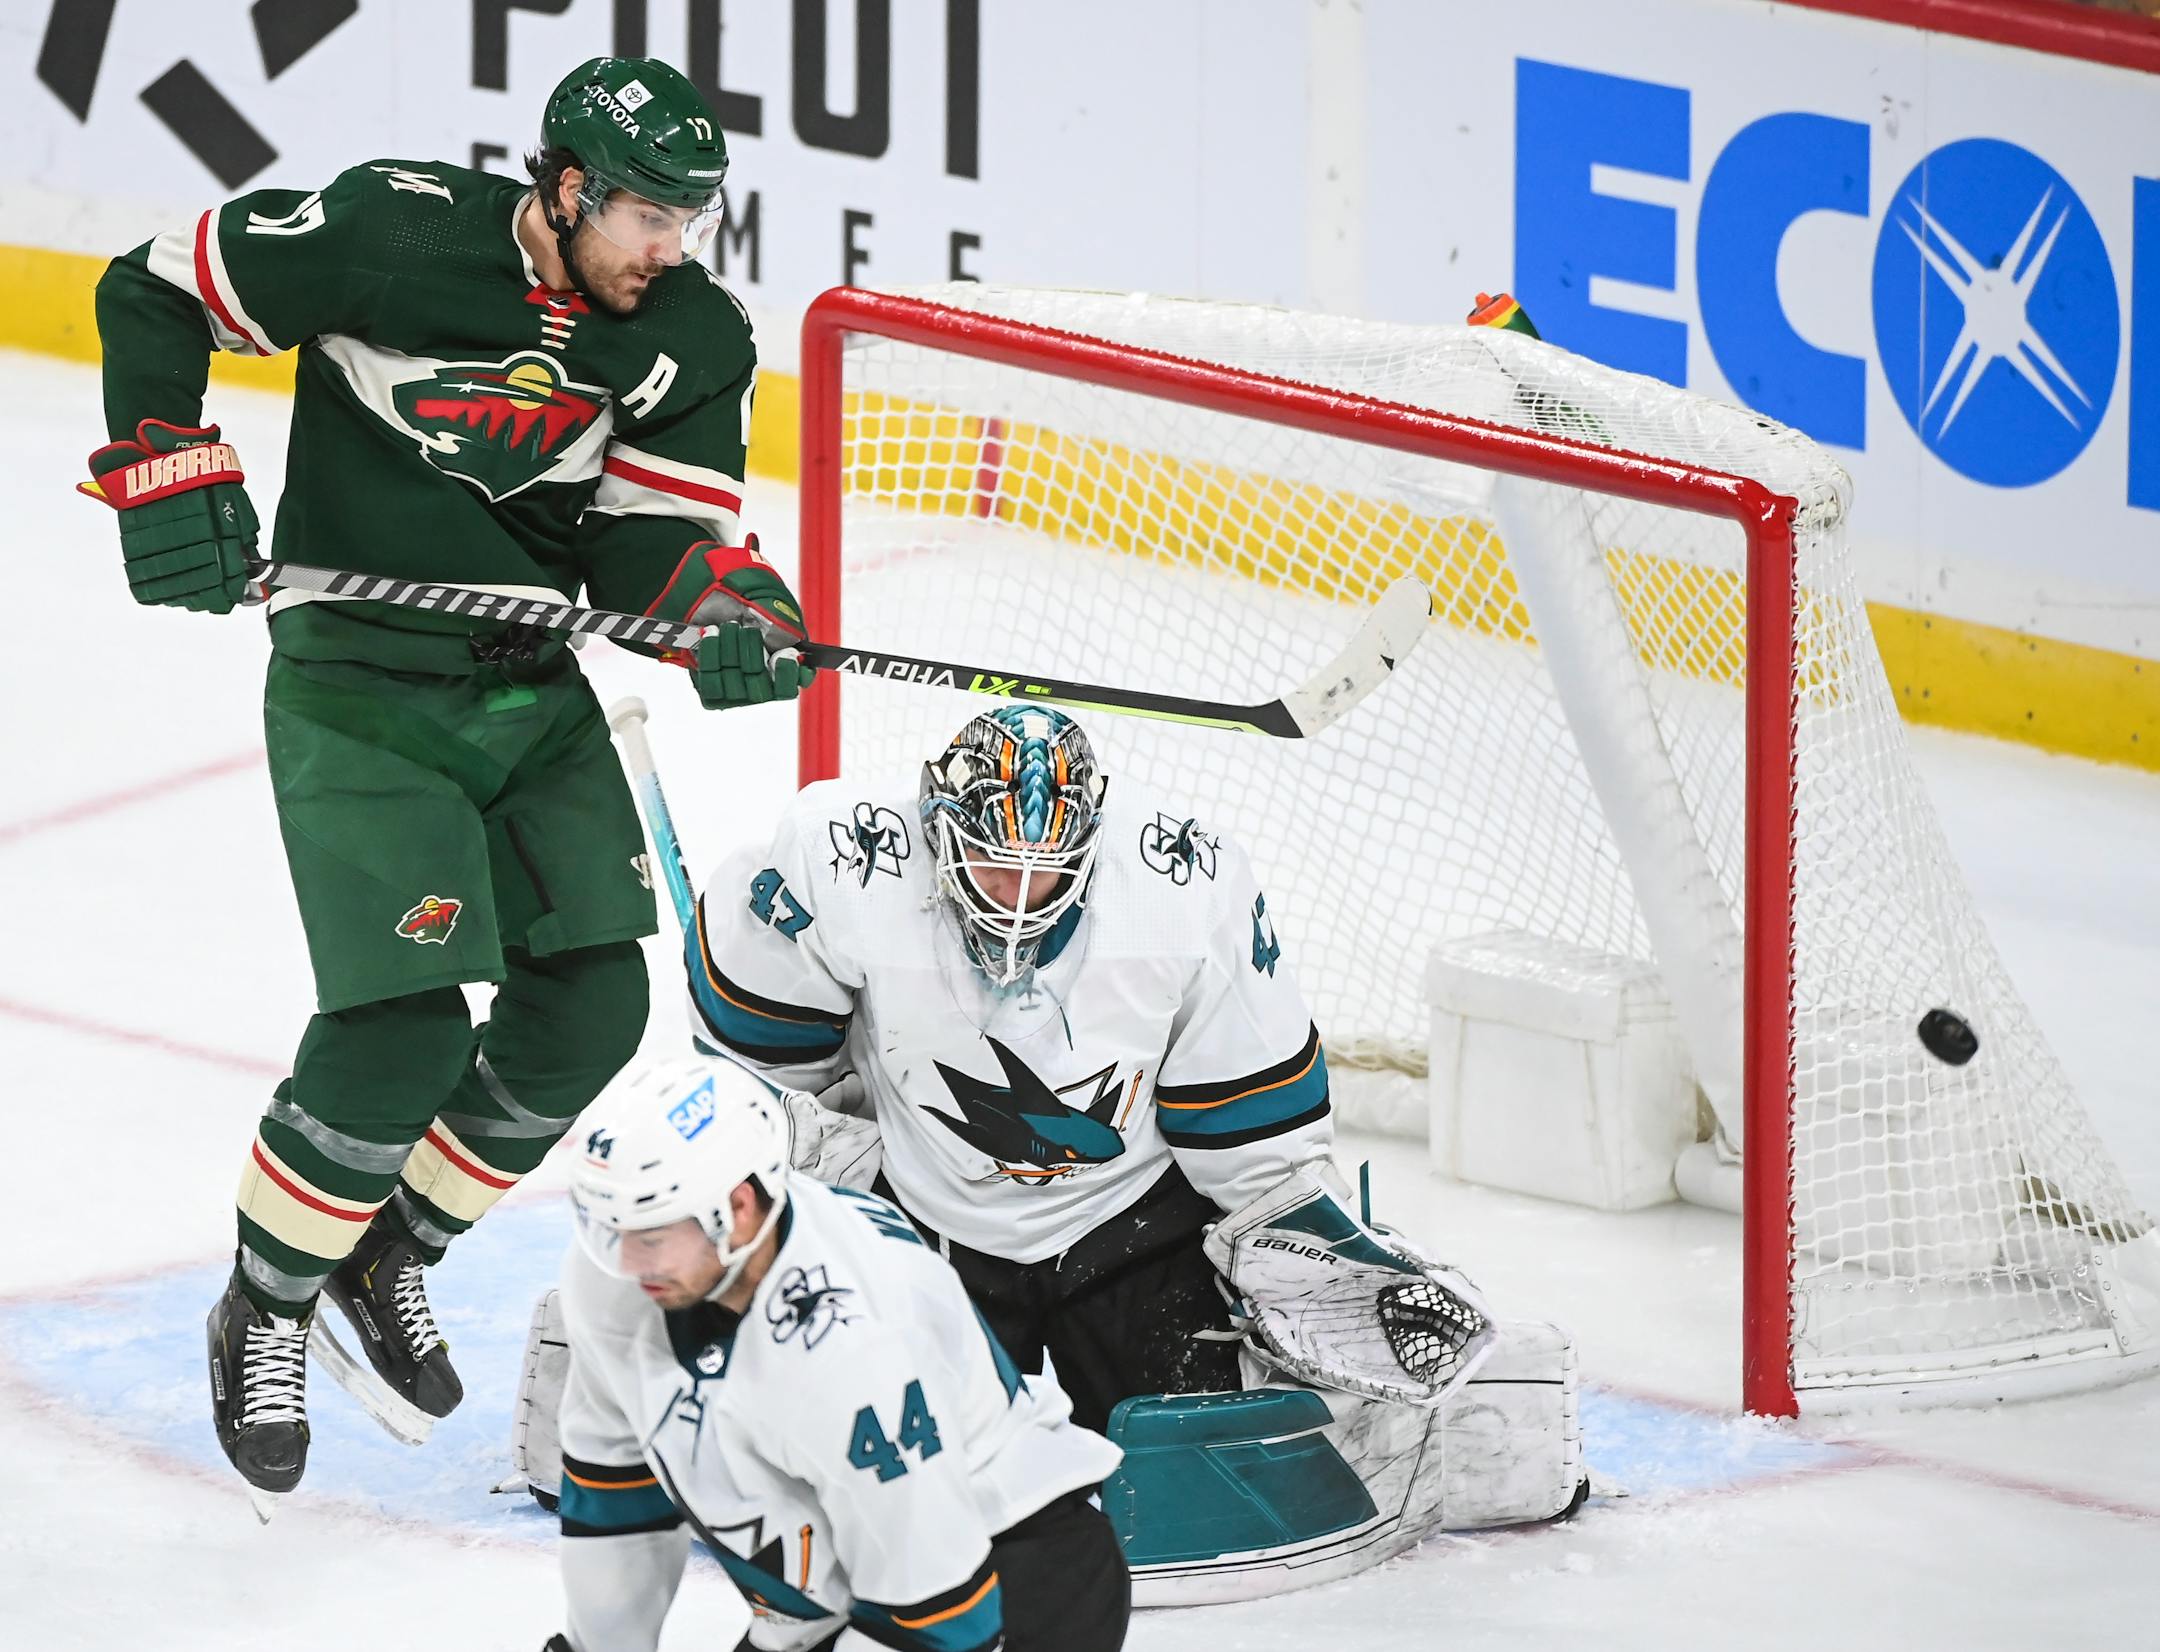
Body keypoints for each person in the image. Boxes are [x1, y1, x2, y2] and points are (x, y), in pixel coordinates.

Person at [80, 55, 811, 1506]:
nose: (670, 249)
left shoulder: (689, 333)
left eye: (688, 220)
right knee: (401, 1031)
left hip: (527, 693)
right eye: (646, 219)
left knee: (595, 999)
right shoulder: (393, 234)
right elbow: (149, 286)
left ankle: (388, 1249)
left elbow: (643, 546)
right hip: (361, 691)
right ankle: (266, 1304)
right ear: (563, 185)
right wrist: (168, 462)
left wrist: (723, 610)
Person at [662, 706, 1584, 1597]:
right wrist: (816, 1175)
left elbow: (1250, 1120)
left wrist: (1299, 1239)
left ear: (1091, 849)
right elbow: (755, 1080)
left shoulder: (1183, 887)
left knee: (1194, 1458)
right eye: (991, 865)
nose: (1017, 899)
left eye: (1044, 873)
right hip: (925, 1229)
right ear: (940, 831)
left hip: (1131, 1225)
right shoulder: (843, 860)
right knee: (894, 1465)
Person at [542, 1054, 1129, 1652]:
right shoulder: (618, 1281)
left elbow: (942, 1610)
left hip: (1000, 1571)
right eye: (608, 1232)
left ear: (739, 1209)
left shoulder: (852, 1347)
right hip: (831, 1587)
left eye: (651, 1234)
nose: (627, 1263)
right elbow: (615, 1490)